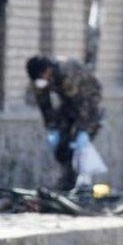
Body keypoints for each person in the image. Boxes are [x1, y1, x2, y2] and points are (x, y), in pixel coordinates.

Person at [25, 56, 104, 191]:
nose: (41, 82)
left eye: (42, 78)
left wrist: (82, 130)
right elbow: (44, 104)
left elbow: (83, 103)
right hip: (68, 103)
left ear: (47, 70)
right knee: (62, 147)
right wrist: (52, 128)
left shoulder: (68, 72)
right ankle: (67, 183)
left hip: (89, 101)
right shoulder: (39, 79)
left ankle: (82, 185)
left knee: (77, 145)